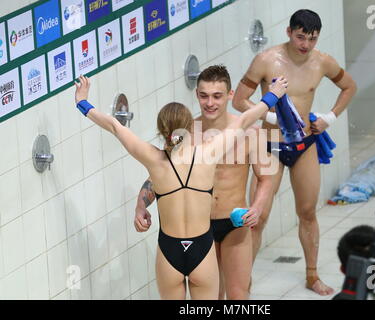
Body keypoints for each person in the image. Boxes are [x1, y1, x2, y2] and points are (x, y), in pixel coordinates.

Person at [74, 74, 288, 300]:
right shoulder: (209, 152)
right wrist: (274, 94)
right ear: (189, 127)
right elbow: (245, 120)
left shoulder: (153, 159)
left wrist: (82, 102)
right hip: (202, 248)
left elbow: (115, 127)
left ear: (160, 130)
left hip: (169, 251)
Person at [232, 9, 357, 296]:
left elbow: (350, 86)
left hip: (305, 145)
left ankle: (312, 276)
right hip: (271, 145)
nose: (306, 45)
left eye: (312, 39)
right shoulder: (267, 60)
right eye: (301, 37)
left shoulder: (322, 62)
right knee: (258, 217)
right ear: (289, 32)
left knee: (307, 212)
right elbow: (239, 100)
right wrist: (274, 118)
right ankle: (243, 282)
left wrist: (331, 117)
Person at [134, 65, 274, 300]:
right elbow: (158, 175)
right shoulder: (187, 133)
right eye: (204, 96)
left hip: (234, 224)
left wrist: (258, 207)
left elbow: (266, 178)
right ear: (197, 95)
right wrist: (141, 205)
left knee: (239, 296)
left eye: (217, 96)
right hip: (200, 229)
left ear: (230, 95)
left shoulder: (251, 133)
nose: (210, 103)